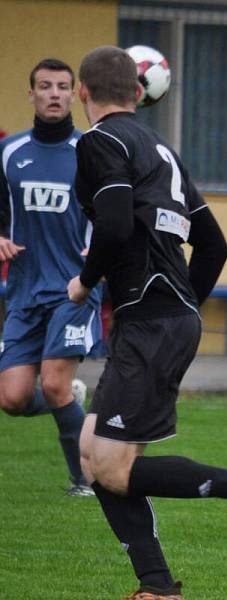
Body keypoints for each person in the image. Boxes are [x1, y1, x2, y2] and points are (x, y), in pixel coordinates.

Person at [68, 46, 227, 600]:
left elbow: (117, 223)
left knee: (112, 469)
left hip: (150, 320)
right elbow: (213, 246)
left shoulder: (101, 142)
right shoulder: (161, 151)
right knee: (91, 450)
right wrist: (182, 308)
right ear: (139, 92)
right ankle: (155, 586)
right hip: (163, 317)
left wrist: (86, 280)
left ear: (83, 93)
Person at [0, 58, 100, 496]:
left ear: (75, 93)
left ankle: (86, 479)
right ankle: (71, 405)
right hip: (24, 292)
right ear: (32, 94)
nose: (54, 93)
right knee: (14, 399)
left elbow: (118, 211)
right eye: (45, 86)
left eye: (63, 86)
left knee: (54, 382)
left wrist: (102, 248)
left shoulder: (92, 152)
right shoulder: (9, 153)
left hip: (73, 290)